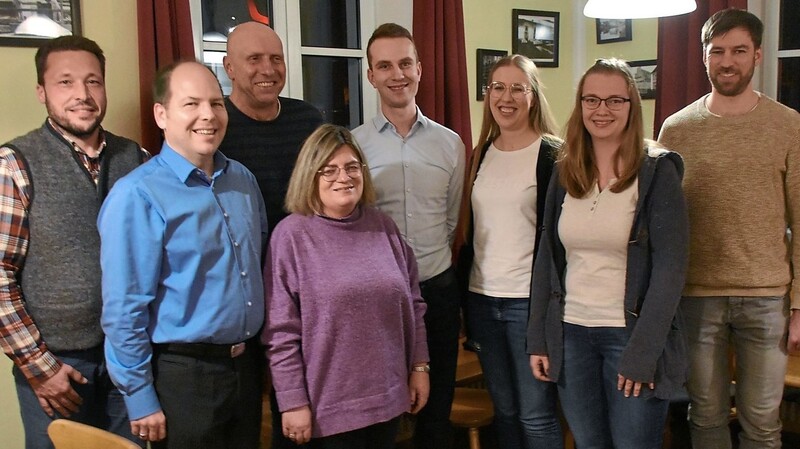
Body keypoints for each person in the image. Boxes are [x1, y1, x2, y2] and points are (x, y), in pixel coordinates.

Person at [99, 61, 268, 449]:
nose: (207, 115)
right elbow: (124, 309)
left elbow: (257, 265)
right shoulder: (137, 195)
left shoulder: (242, 180)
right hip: (182, 378)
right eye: (191, 104)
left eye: (216, 103)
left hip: (244, 369)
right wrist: (139, 398)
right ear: (162, 114)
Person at [528, 58, 690, 449]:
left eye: (615, 100)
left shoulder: (657, 172)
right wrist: (539, 337)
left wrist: (644, 353)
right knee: (588, 443)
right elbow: (547, 258)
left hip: (630, 338)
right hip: (571, 336)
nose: (602, 111)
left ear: (632, 106)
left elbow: (671, 270)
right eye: (592, 100)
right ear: (580, 105)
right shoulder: (566, 170)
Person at [658, 8, 800, 449]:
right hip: (696, 299)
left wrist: (799, 307)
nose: (727, 61)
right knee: (704, 416)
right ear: (704, 57)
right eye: (717, 51)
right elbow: (661, 223)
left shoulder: (789, 126)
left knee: (762, 422)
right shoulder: (676, 129)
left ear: (757, 55)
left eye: (739, 50)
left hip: (767, 298)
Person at [0, 35, 147, 449]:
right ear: (41, 92)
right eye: (66, 83)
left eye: (93, 81)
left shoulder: (137, 158)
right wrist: (39, 366)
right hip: (57, 363)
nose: (82, 95)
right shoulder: (14, 164)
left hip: (128, 357)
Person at [263, 123, 429, 449]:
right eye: (329, 170)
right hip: (326, 410)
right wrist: (292, 401)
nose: (344, 177)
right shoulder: (291, 236)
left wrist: (419, 366)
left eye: (352, 167)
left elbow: (413, 304)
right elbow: (280, 332)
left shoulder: (384, 227)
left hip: (388, 400)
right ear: (310, 174)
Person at [352, 23, 465, 449]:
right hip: (379, 294)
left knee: (436, 409)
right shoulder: (354, 145)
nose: (396, 74)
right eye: (384, 66)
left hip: (437, 288)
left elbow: (453, 219)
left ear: (420, 68)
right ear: (371, 76)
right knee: (381, 409)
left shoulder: (451, 144)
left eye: (404, 63)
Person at [456, 54, 563, 449]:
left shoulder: (554, 155)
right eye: (498, 87)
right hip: (483, 303)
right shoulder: (480, 153)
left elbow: (562, 241)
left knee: (536, 415)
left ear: (533, 96)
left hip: (529, 306)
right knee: (505, 411)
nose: (507, 97)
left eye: (518, 88)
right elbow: (473, 234)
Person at [221, 21, 324, 234]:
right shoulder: (214, 123)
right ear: (229, 67)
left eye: (276, 59)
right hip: (242, 260)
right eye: (254, 59)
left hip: (302, 255)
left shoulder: (308, 119)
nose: (268, 70)